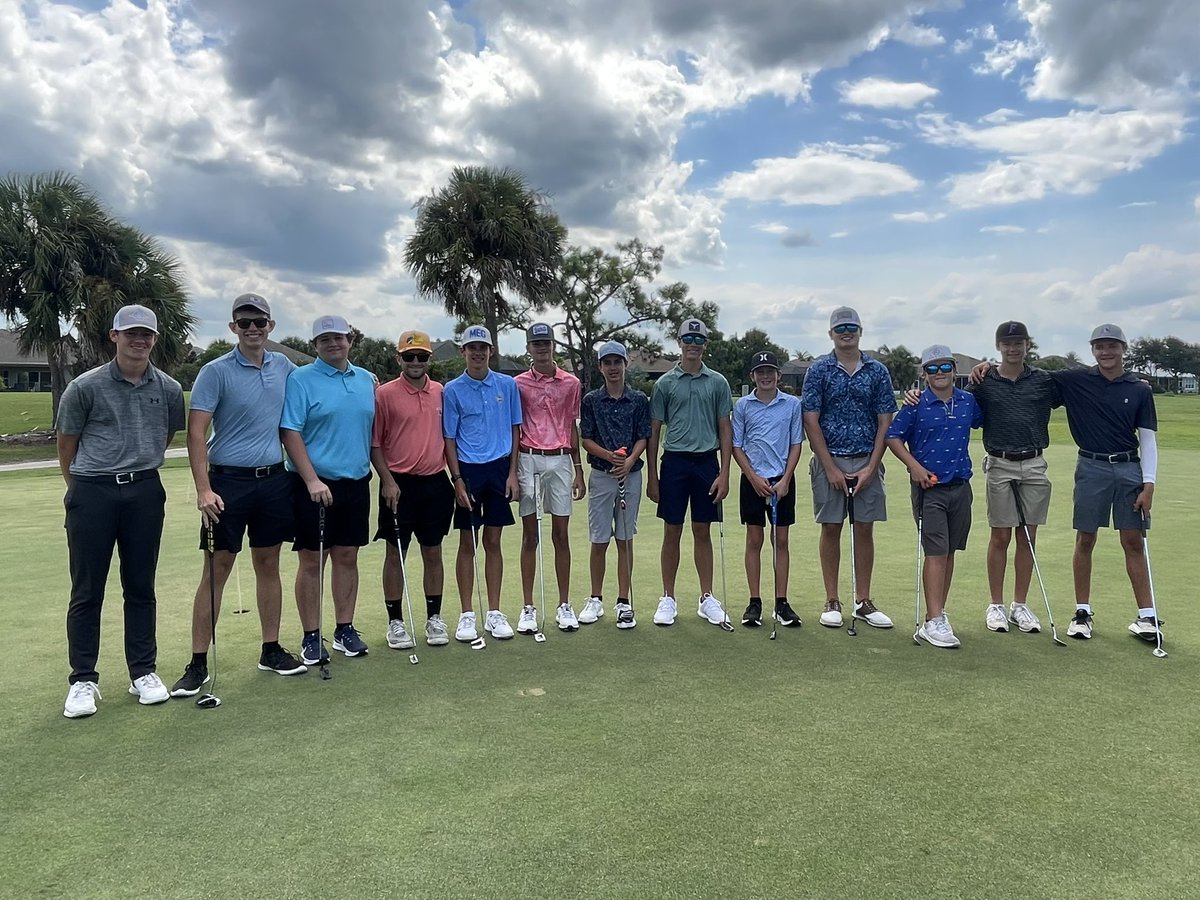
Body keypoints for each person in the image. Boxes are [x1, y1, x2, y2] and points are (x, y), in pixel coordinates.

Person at [170, 294, 306, 699]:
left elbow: (311, 392)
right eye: (244, 323)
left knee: (269, 563)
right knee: (217, 568)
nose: (252, 329)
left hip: (273, 481)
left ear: (270, 326)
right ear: (233, 327)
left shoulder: (284, 366)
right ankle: (197, 663)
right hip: (227, 483)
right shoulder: (215, 371)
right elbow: (197, 433)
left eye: (259, 323)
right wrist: (203, 489)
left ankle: (271, 649)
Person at [57, 304, 185, 718]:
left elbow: (164, 436)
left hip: (145, 491)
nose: (139, 340)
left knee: (141, 586)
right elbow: (66, 445)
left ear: (154, 338)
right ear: (114, 336)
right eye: (130, 333)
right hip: (92, 491)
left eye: (146, 334)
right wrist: (82, 487)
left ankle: (143, 672)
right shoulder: (85, 386)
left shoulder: (167, 388)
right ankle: (82, 679)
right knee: (87, 589)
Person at [1052, 325, 1159, 642]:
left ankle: (1147, 617)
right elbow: (1030, 374)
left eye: (1112, 345)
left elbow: (1148, 440)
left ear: (1123, 348)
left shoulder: (1140, 390)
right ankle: (1082, 612)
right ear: (1092, 350)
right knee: (1085, 539)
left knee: (1133, 541)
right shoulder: (1077, 380)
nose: (1106, 352)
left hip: (1129, 468)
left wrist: (1149, 484)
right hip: (1090, 466)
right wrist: (986, 366)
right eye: (1099, 346)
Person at [280, 314, 375, 667]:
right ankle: (310, 635)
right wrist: (311, 480)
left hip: (356, 482)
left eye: (339, 338)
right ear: (315, 346)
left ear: (350, 339)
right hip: (314, 484)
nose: (333, 344)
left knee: (348, 556)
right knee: (312, 560)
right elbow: (290, 432)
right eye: (325, 340)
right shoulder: (301, 379)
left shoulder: (366, 379)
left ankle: (345, 629)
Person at [801, 307, 897, 630]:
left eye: (852, 326)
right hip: (831, 460)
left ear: (860, 330)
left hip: (867, 460)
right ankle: (832, 599)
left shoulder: (877, 371)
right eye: (840, 327)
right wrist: (829, 467)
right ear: (831, 333)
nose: (846, 332)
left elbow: (886, 420)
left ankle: (863, 600)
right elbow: (811, 420)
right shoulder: (818, 370)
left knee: (865, 528)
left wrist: (873, 466)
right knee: (831, 528)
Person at [886, 345, 983, 649]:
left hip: (960, 485)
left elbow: (986, 417)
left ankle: (939, 612)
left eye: (945, 368)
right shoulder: (916, 404)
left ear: (955, 370)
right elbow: (893, 436)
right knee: (936, 551)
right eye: (932, 368)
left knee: (950, 550)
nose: (939, 374)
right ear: (924, 374)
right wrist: (913, 467)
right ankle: (933, 619)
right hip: (930, 488)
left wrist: (987, 371)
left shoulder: (968, 401)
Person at [969, 321, 1062, 635]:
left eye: (1018, 343)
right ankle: (995, 604)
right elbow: (959, 404)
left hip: (1034, 463)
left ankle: (1019, 605)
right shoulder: (983, 381)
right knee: (1000, 537)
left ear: (1027, 345)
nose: (1013, 348)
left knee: (1028, 538)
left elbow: (1082, 387)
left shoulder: (1044, 380)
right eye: (1007, 343)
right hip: (999, 462)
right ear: (998, 346)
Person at [369, 329, 456, 650]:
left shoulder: (441, 392)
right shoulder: (385, 395)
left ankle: (434, 618)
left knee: (433, 552)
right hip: (398, 485)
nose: (415, 362)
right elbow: (375, 444)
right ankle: (395, 621)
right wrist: (388, 481)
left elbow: (448, 441)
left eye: (421, 357)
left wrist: (456, 480)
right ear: (399, 359)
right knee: (396, 554)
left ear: (429, 359)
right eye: (409, 357)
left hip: (435, 483)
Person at [645, 318, 733, 628]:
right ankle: (668, 597)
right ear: (679, 342)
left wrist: (725, 473)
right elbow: (654, 431)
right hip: (675, 463)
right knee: (672, 530)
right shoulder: (665, 383)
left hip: (707, 463)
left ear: (705, 343)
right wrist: (652, 475)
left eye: (698, 338)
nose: (693, 343)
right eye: (688, 338)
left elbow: (725, 428)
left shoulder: (718, 382)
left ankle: (706, 597)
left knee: (702, 530)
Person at [442, 324, 522, 643]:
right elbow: (449, 438)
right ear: (463, 351)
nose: (478, 352)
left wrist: (513, 473)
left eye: (483, 347)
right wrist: (457, 479)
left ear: (491, 351)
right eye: (472, 347)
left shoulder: (507, 385)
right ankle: (466, 615)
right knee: (467, 542)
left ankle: (494, 612)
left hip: (500, 468)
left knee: (494, 541)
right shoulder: (452, 390)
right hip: (469, 471)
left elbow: (516, 431)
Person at [514, 322, 586, 633]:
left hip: (559, 460)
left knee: (561, 535)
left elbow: (572, 427)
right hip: (528, 458)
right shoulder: (516, 384)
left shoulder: (571, 383)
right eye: (536, 343)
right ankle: (528, 607)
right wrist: (513, 472)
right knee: (530, 536)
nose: (542, 348)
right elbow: (515, 428)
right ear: (528, 348)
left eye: (546, 343)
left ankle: (564, 604)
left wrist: (578, 469)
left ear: (553, 345)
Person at [579, 340, 651, 629]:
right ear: (600, 367)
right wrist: (610, 456)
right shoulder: (591, 400)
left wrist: (630, 460)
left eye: (617, 362)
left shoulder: (639, 400)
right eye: (607, 363)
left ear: (625, 364)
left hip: (630, 475)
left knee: (624, 538)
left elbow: (643, 436)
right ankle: (595, 598)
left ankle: (623, 601)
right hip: (601, 475)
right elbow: (586, 438)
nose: (612, 368)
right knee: (599, 539)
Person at [731, 351, 805, 628]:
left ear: (778, 375)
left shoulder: (791, 405)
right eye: (760, 371)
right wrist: (752, 477)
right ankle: (755, 602)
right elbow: (737, 446)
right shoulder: (743, 406)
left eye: (770, 371)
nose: (765, 376)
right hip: (753, 480)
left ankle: (781, 602)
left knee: (781, 540)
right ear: (753, 376)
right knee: (754, 539)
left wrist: (786, 479)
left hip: (782, 480)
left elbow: (796, 443)